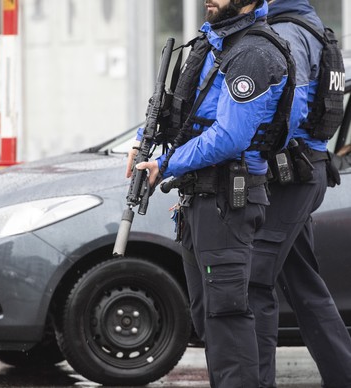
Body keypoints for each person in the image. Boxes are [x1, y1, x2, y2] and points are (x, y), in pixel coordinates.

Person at [126, 0, 293, 386]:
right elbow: (178, 110)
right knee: (208, 319)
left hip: (227, 202)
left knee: (227, 318)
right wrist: (142, 142)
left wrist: (165, 166)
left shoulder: (253, 54)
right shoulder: (213, 42)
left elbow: (230, 138)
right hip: (199, 200)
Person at [247, 1, 351, 387]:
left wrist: (259, 154)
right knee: (304, 286)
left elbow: (292, 105)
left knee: (254, 281)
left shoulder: (287, 31)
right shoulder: (309, 24)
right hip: (308, 170)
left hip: (292, 175)